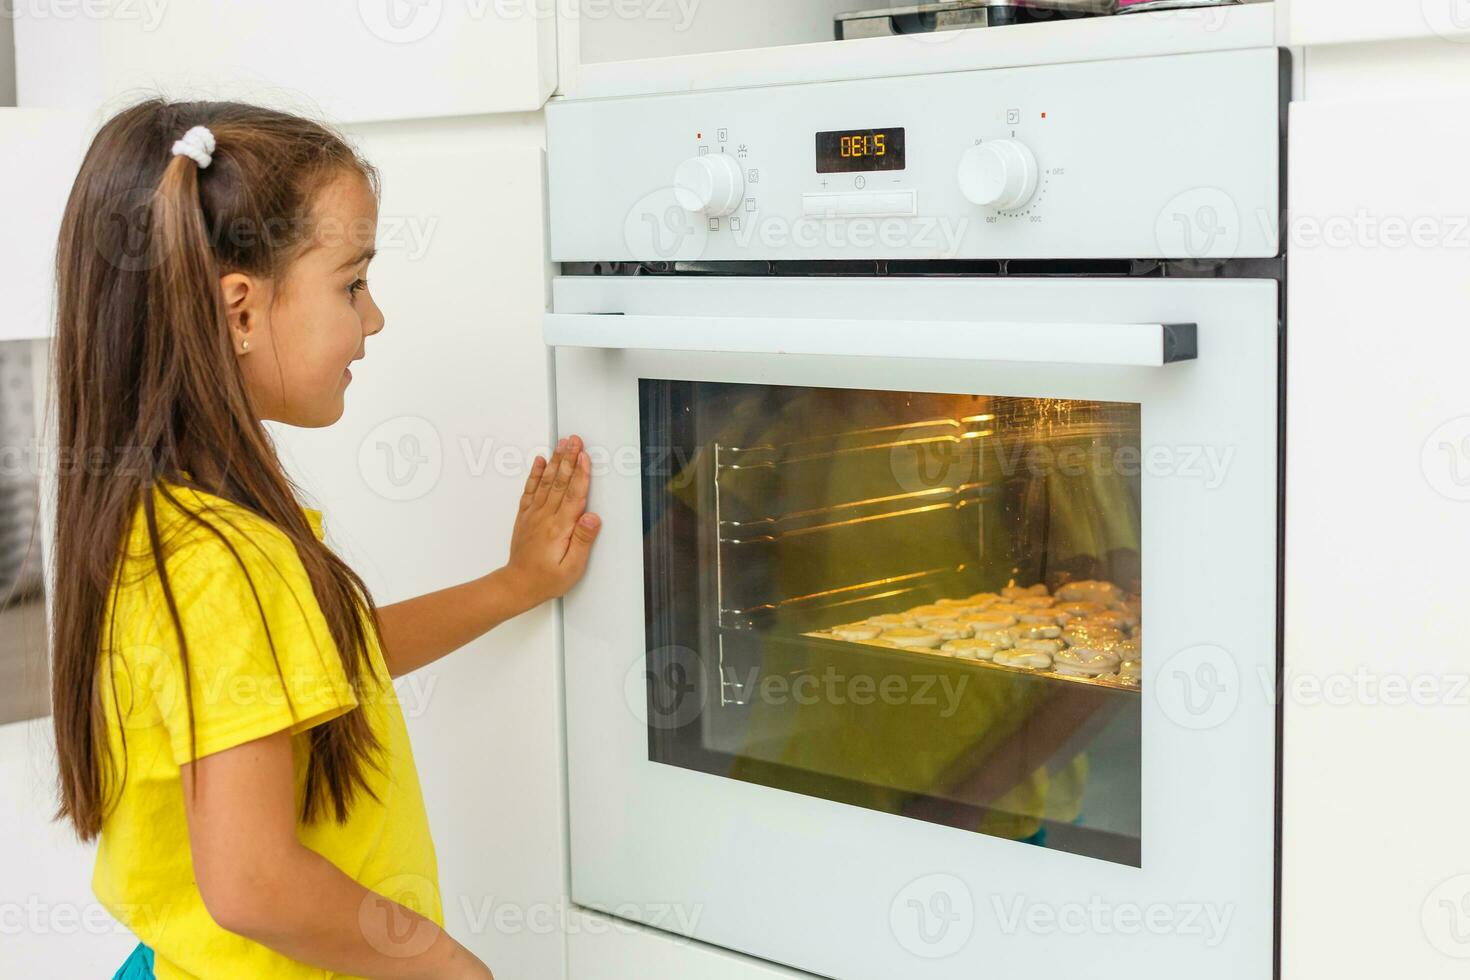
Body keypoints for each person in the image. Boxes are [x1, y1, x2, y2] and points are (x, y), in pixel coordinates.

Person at [47, 100, 600, 979]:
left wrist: (512, 586)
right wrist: (452, 968)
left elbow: (315, 663)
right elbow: (254, 885)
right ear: (240, 313)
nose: (372, 318)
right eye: (352, 283)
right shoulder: (224, 562)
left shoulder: (177, 524)